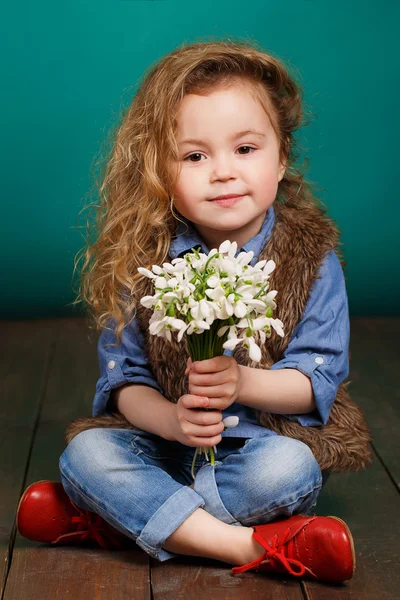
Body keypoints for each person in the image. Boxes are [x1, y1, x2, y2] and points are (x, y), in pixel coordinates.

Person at [17, 38, 372, 583]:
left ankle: (120, 519)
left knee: (289, 471)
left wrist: (241, 383)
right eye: (194, 155)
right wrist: (171, 422)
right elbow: (127, 382)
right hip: (161, 445)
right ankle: (243, 544)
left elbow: (316, 379)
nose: (223, 172)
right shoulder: (144, 258)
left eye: (246, 149)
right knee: (88, 452)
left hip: (260, 446)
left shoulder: (312, 256)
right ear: (160, 171)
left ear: (281, 161)